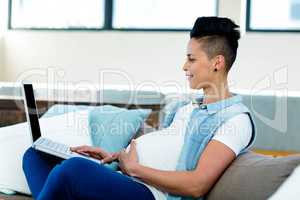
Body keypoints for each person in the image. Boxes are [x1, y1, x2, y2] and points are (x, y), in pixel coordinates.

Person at [22, 16, 256, 200]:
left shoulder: (234, 120)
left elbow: (197, 185)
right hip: (128, 176)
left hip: (152, 193)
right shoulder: (188, 108)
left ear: (217, 62)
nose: (184, 66)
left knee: (71, 171)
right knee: (35, 156)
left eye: (191, 59)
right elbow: (165, 148)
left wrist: (133, 169)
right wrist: (115, 157)